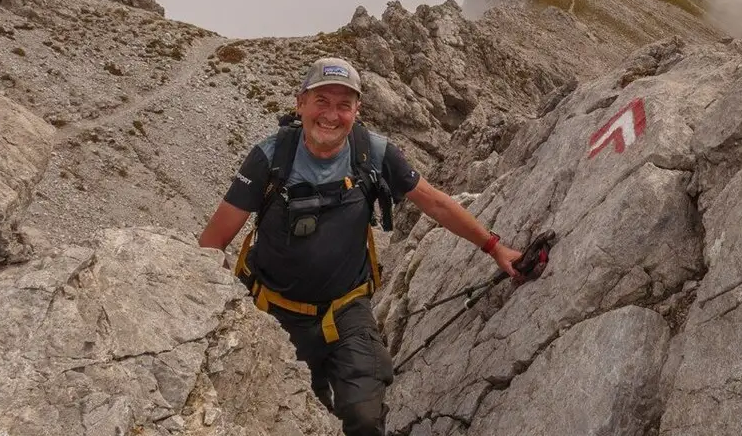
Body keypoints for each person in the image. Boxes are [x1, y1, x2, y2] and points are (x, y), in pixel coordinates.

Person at [198, 56, 522, 436]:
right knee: (294, 418)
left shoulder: (373, 153)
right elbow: (212, 243)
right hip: (274, 313)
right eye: (321, 101)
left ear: (357, 111)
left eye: (343, 105)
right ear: (300, 103)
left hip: (346, 311)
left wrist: (495, 248)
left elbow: (435, 203)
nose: (331, 115)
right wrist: (229, 316)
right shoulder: (270, 158)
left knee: (366, 417)